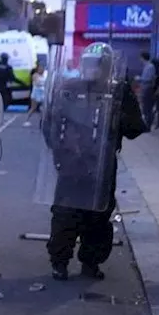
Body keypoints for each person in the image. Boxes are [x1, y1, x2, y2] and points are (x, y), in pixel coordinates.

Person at [42, 43, 146, 281]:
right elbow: (50, 123)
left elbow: (135, 128)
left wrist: (119, 117)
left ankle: (91, 262)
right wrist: (60, 150)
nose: (94, 70)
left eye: (99, 65)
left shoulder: (119, 92)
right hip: (70, 164)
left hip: (102, 165)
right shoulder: (68, 89)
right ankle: (59, 261)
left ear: (108, 67)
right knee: (65, 214)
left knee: (98, 217)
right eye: (90, 64)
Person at [137, 51, 158, 128]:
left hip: (147, 88)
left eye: (141, 58)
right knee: (145, 107)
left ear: (143, 58)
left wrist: (140, 79)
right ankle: (147, 123)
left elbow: (148, 79)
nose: (140, 60)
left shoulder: (149, 67)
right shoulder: (147, 66)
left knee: (147, 107)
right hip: (145, 88)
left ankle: (148, 125)